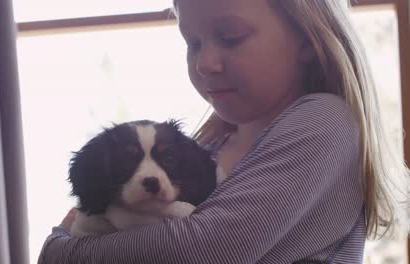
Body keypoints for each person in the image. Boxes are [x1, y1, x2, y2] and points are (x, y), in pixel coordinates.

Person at [38, 0, 409, 263]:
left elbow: (205, 250)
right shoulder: (210, 141)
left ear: (307, 39)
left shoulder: (323, 122)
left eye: (231, 37)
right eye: (192, 43)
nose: (205, 63)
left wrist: (60, 251)